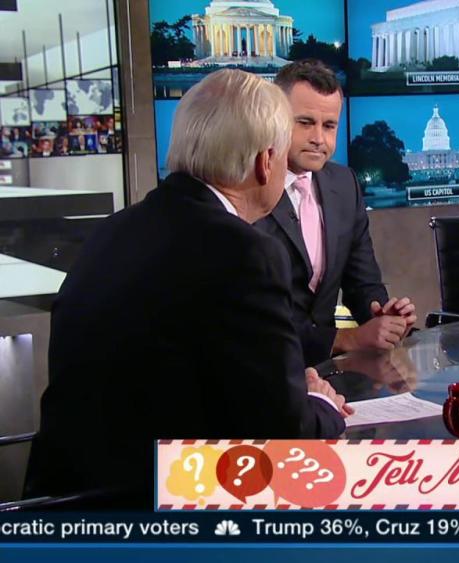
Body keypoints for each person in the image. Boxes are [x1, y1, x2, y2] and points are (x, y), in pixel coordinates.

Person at [23, 69, 351, 508]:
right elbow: (284, 435)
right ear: (265, 161)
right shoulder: (243, 251)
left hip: (59, 504)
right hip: (157, 508)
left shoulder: (114, 229)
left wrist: (289, 392)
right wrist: (320, 403)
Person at [256, 59, 416, 366]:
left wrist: (384, 318)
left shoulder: (344, 184)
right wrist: (347, 339)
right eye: (305, 123)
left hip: (328, 372)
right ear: (274, 120)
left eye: (329, 126)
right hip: (265, 367)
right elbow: (256, 316)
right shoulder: (249, 188)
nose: (319, 138)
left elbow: (362, 283)